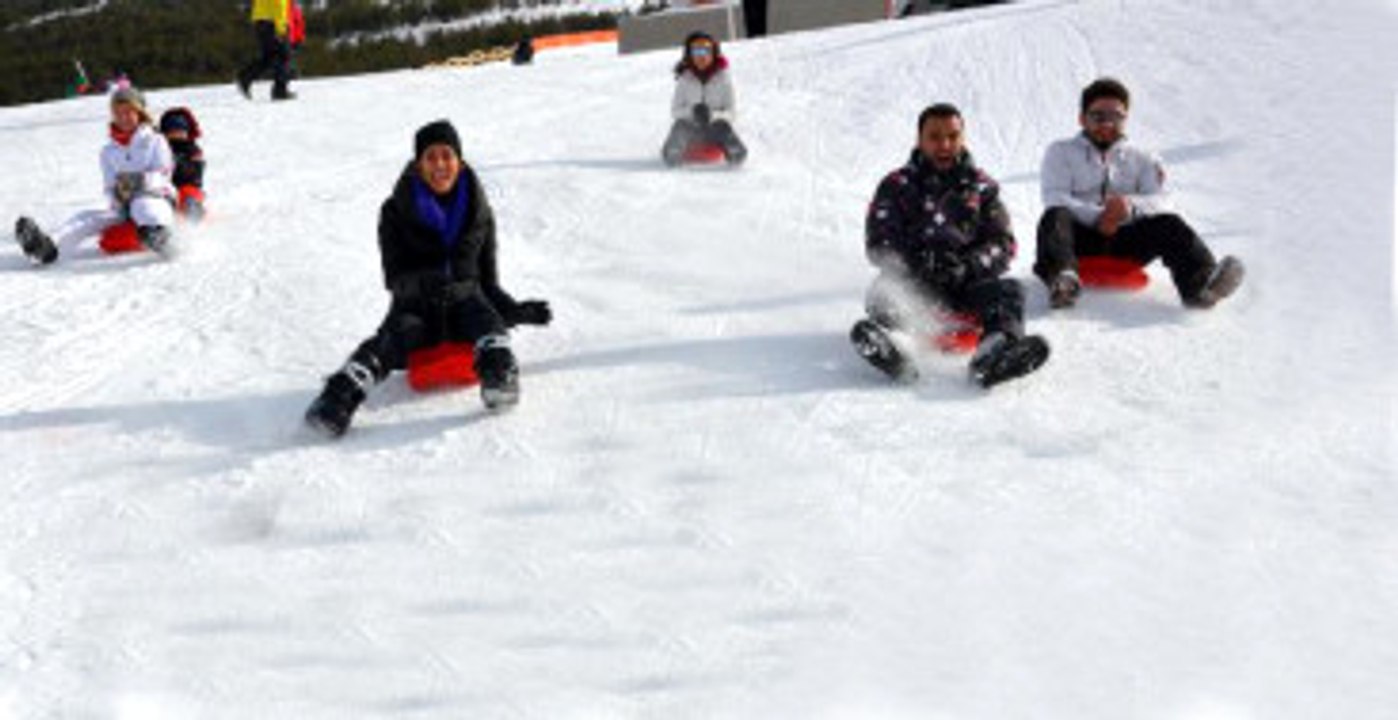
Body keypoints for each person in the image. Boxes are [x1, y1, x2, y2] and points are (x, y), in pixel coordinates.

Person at [304, 120, 553, 438]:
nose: (439, 165)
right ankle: (338, 398)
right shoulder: (395, 211)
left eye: (446, 155)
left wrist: (514, 309)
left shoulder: (480, 212)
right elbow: (394, 278)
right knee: (391, 339)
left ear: (459, 161)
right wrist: (426, 281)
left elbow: (488, 281)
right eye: (430, 157)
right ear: (419, 165)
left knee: (487, 320)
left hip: (466, 301)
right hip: (416, 304)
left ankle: (499, 376)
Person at [851, 103, 1050, 388]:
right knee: (883, 290)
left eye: (953, 136)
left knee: (1010, 291)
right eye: (934, 136)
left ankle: (995, 351)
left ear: (963, 138)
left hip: (966, 284)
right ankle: (897, 347)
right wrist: (914, 263)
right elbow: (879, 241)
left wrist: (967, 266)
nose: (944, 144)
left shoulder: (982, 188)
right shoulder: (896, 185)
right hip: (915, 287)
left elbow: (1004, 244)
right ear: (919, 140)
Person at [1034, 77, 1243, 309]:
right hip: (1078, 241)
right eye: (1098, 116)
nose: (1107, 124)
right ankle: (1063, 281)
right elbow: (1055, 196)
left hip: (1125, 241)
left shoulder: (1143, 157)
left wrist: (1128, 209)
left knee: (1169, 223)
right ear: (1082, 119)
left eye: (1116, 117)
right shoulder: (1060, 152)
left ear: (1125, 120)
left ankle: (1200, 286)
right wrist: (1100, 216)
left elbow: (1162, 200)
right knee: (1055, 216)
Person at [13, 87, 175, 265]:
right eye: (118, 113)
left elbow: (163, 173)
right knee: (86, 218)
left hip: (157, 198)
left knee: (142, 204)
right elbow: (109, 185)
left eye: (129, 112)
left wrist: (136, 182)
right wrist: (116, 196)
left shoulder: (154, 140)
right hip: (124, 205)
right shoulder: (108, 151)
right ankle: (49, 247)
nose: (123, 118)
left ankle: (161, 237)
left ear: (140, 113)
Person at [661, 32, 747, 166]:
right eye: (696, 51)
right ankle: (673, 152)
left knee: (723, 126)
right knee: (680, 125)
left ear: (714, 53)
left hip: (713, 132)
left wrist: (712, 115)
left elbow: (731, 112)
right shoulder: (685, 80)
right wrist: (692, 112)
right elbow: (675, 111)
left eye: (706, 50)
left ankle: (735, 152)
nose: (701, 56)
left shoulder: (723, 79)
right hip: (691, 134)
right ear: (690, 55)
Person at [236, 0, 295, 101]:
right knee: (284, 55)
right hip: (272, 22)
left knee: (270, 56)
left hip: (261, 20)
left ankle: (246, 77)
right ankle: (280, 90)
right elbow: (279, 4)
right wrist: (281, 28)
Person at [158, 107, 206, 220]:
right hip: (165, 188)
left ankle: (194, 222)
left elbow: (194, 172)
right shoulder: (160, 148)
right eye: (173, 131)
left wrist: (177, 164)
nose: (177, 134)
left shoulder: (192, 150)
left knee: (189, 199)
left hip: (188, 187)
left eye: (180, 131)